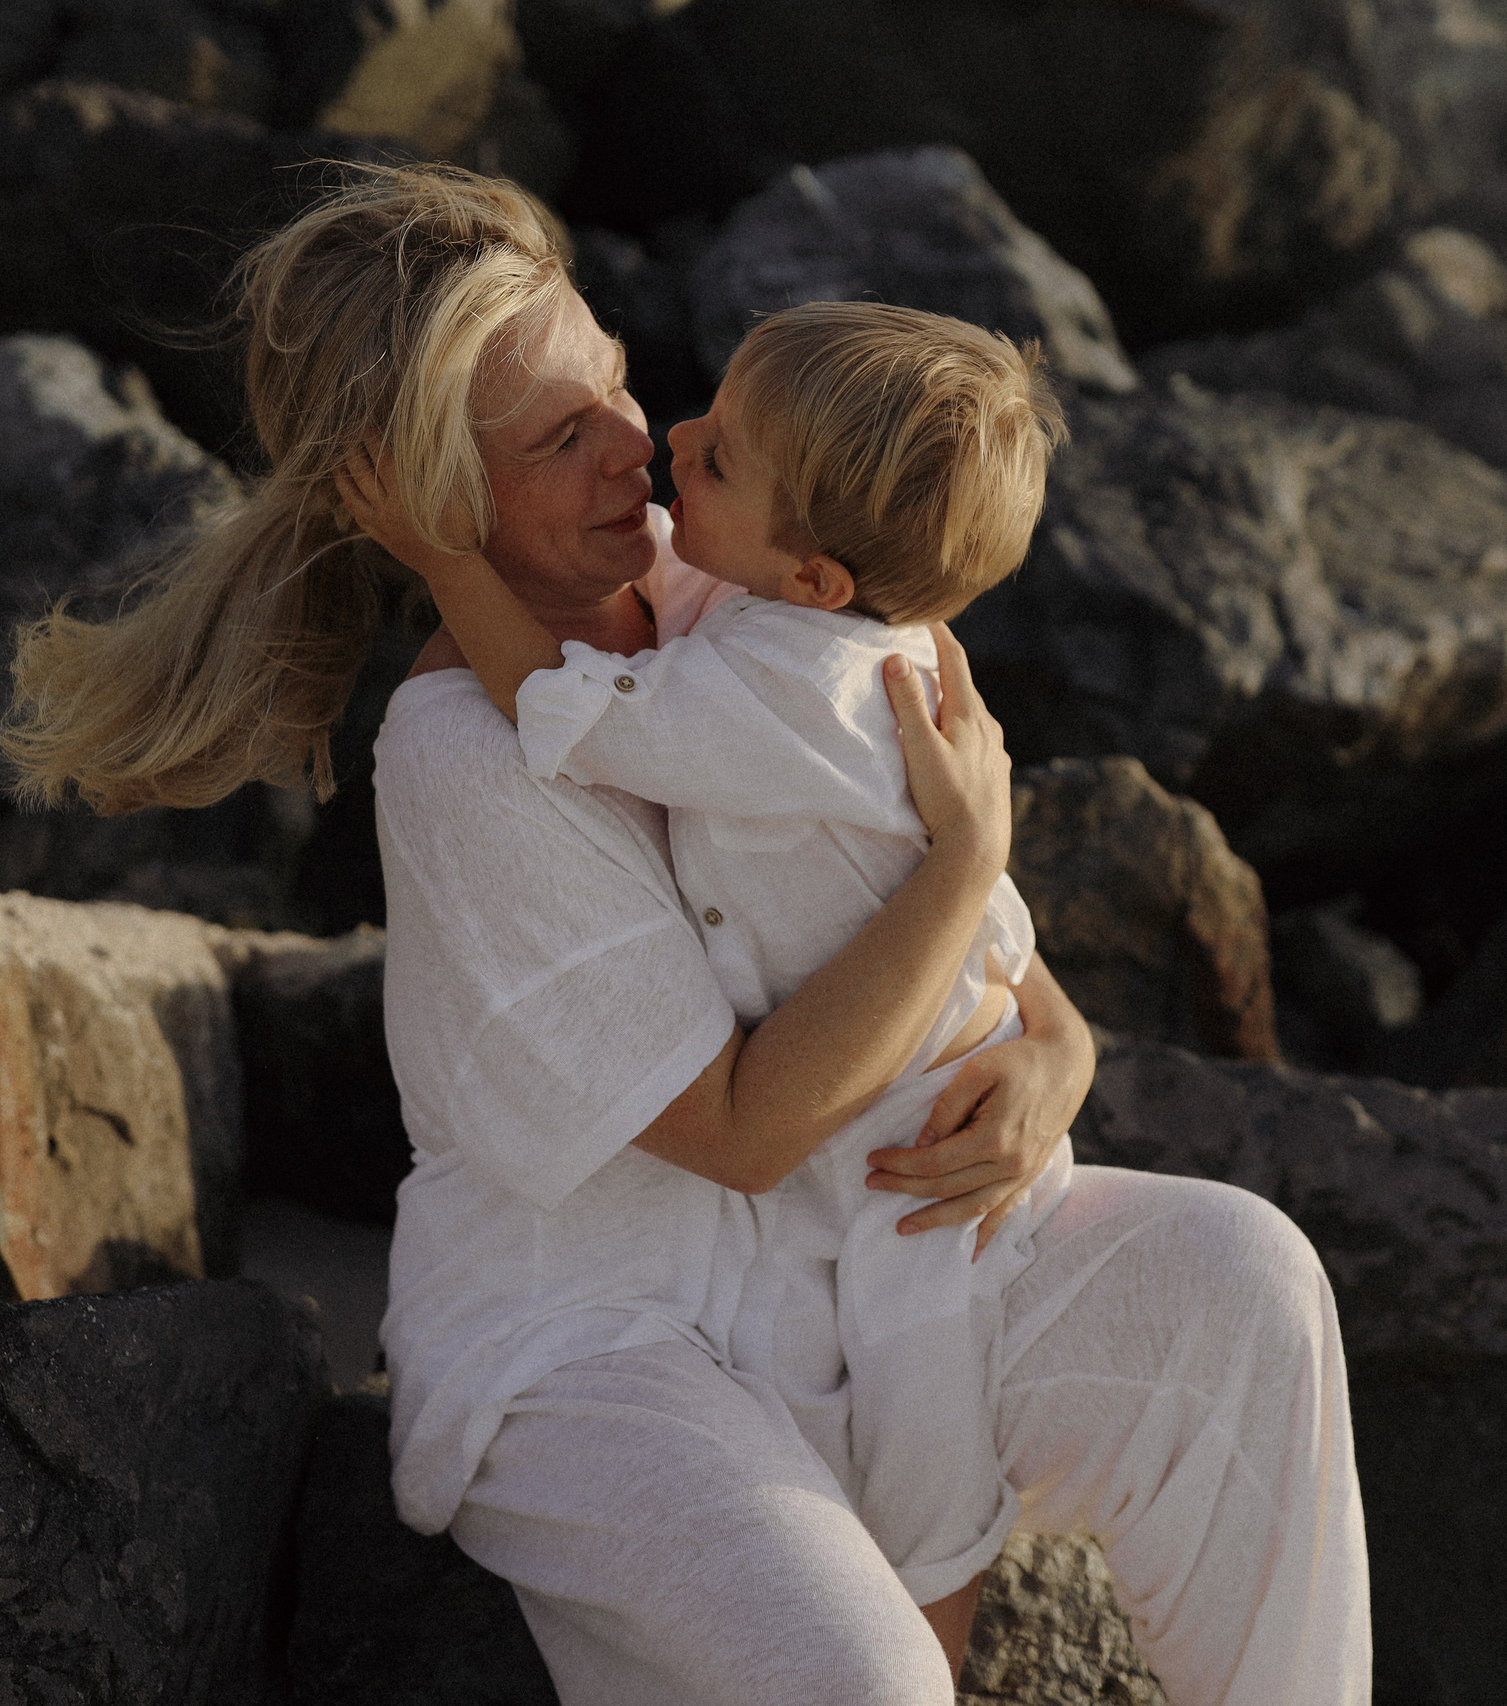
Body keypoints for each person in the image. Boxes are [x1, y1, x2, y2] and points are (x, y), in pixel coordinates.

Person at [0, 162, 1371, 1704]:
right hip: (602, 1352)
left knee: (1244, 1277)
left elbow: (956, 927)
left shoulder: (736, 578)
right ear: (437, 499)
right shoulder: (461, 760)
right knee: (864, 1682)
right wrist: (965, 856)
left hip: (871, 1272)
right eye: (560, 439)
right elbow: (743, 1127)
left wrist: (1056, 1042)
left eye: (615, 387)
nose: (637, 447)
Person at [339, 298, 1071, 1623]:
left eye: (709, 446)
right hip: (728, 1240)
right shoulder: (808, 618)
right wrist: (1011, 943)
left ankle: (947, 1628)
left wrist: (446, 566)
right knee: (910, 1449)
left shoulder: (763, 670)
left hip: (904, 1145)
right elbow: (954, 923)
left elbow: (560, 706)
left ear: (816, 579)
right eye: (572, 429)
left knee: (924, 1435)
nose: (656, 438)